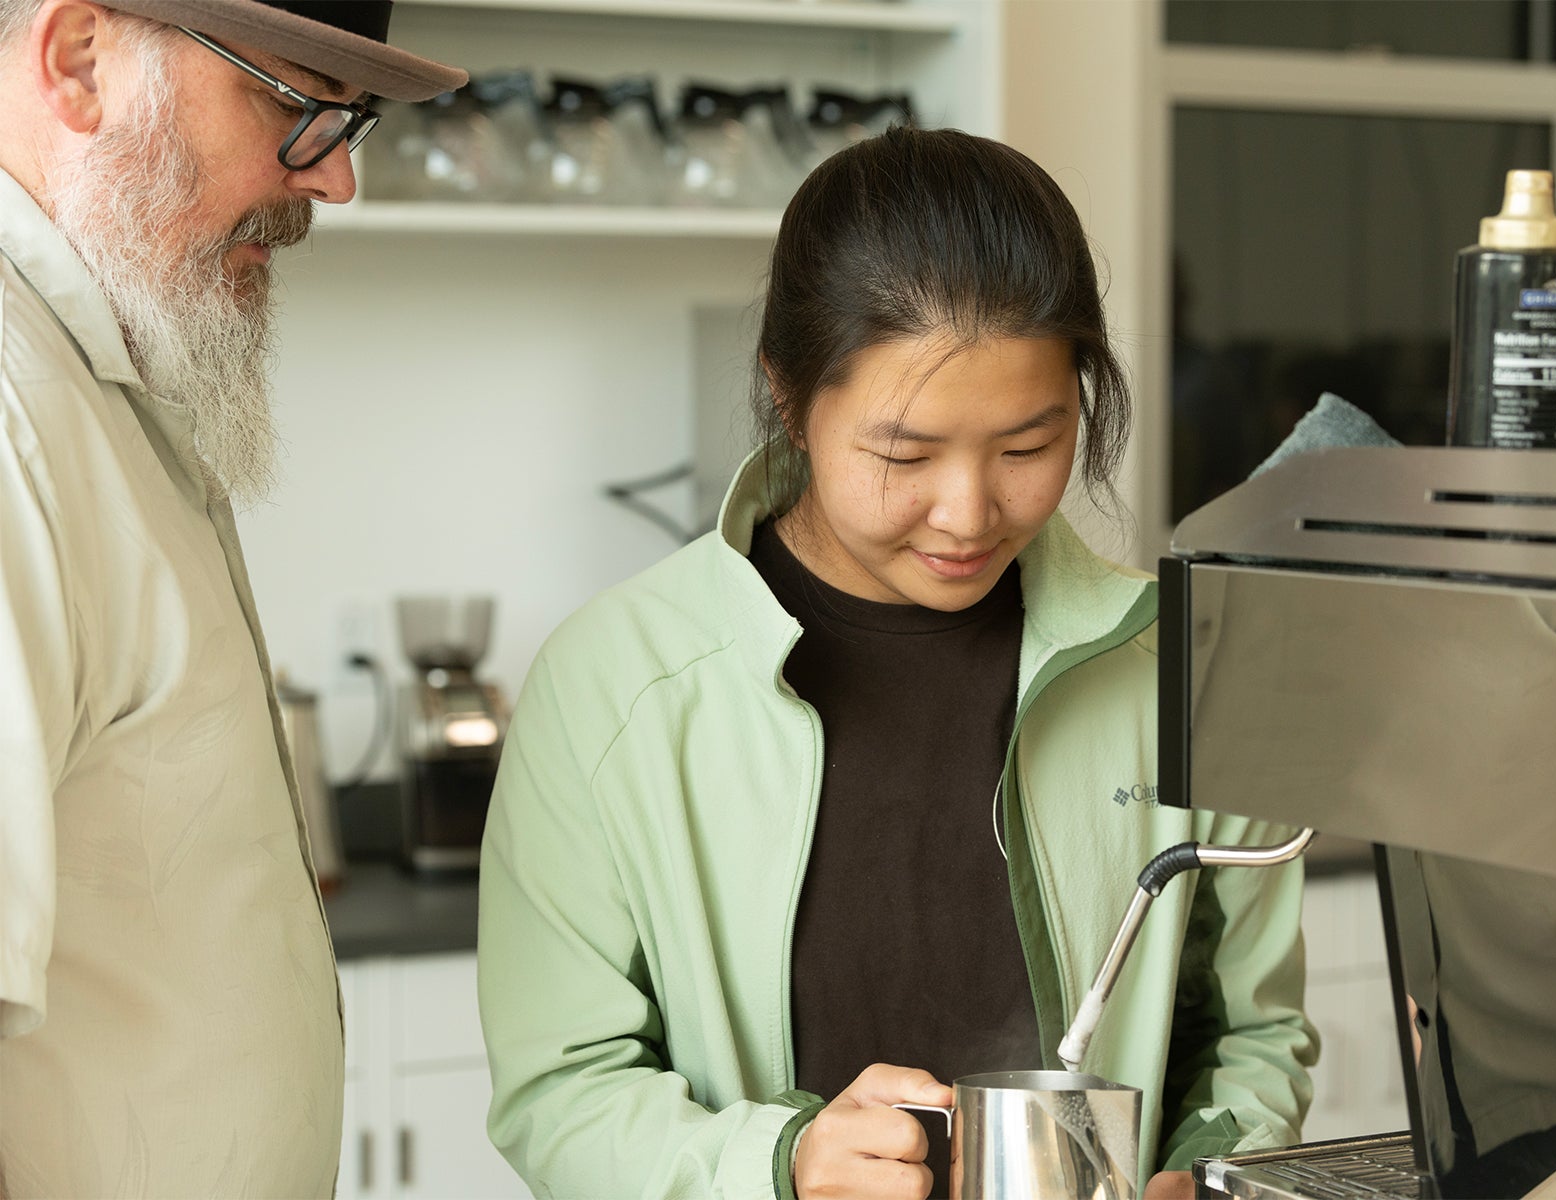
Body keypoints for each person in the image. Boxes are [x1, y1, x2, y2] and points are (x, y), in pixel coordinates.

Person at [477, 125, 1317, 1200]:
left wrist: (1203, 1180)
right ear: (788, 396)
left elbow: (1253, 1033)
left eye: (1028, 447)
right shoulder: (613, 686)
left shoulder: (1179, 668)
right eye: (903, 455)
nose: (968, 514)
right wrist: (780, 1165)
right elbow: (561, 1093)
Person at [0, 2, 464, 1194]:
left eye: (346, 120)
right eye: (293, 103)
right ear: (79, 61)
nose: (337, 178)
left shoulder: (101, 369)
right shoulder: (13, 417)